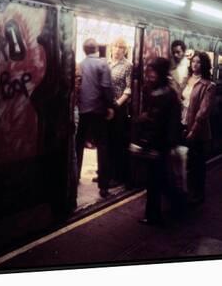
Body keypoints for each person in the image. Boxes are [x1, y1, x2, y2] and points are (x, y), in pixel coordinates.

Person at [138, 57, 183, 225]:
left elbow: (164, 121)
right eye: (148, 71)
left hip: (159, 143)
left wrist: (145, 120)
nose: (149, 74)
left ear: (161, 73)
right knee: (159, 180)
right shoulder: (158, 90)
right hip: (157, 142)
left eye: (153, 71)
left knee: (157, 181)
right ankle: (162, 211)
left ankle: (155, 214)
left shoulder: (165, 93)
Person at [75, 38, 116, 198]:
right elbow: (106, 87)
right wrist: (110, 106)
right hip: (99, 111)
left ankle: (75, 176)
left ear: (85, 50)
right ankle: (103, 187)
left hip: (83, 110)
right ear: (97, 49)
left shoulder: (80, 65)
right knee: (103, 147)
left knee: (78, 145)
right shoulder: (102, 64)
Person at [181, 51, 216, 205]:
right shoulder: (186, 80)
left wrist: (193, 131)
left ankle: (198, 194)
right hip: (182, 124)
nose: (195, 64)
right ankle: (185, 191)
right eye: (193, 61)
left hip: (198, 130)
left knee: (197, 165)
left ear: (204, 65)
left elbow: (203, 111)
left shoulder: (208, 85)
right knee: (185, 162)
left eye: (199, 62)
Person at [108, 38, 133, 186]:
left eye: (121, 47)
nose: (117, 50)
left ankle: (117, 177)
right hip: (106, 107)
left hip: (119, 107)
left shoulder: (128, 65)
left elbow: (128, 88)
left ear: (125, 50)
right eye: (115, 46)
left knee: (117, 142)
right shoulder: (107, 63)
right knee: (106, 142)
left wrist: (118, 103)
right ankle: (105, 173)